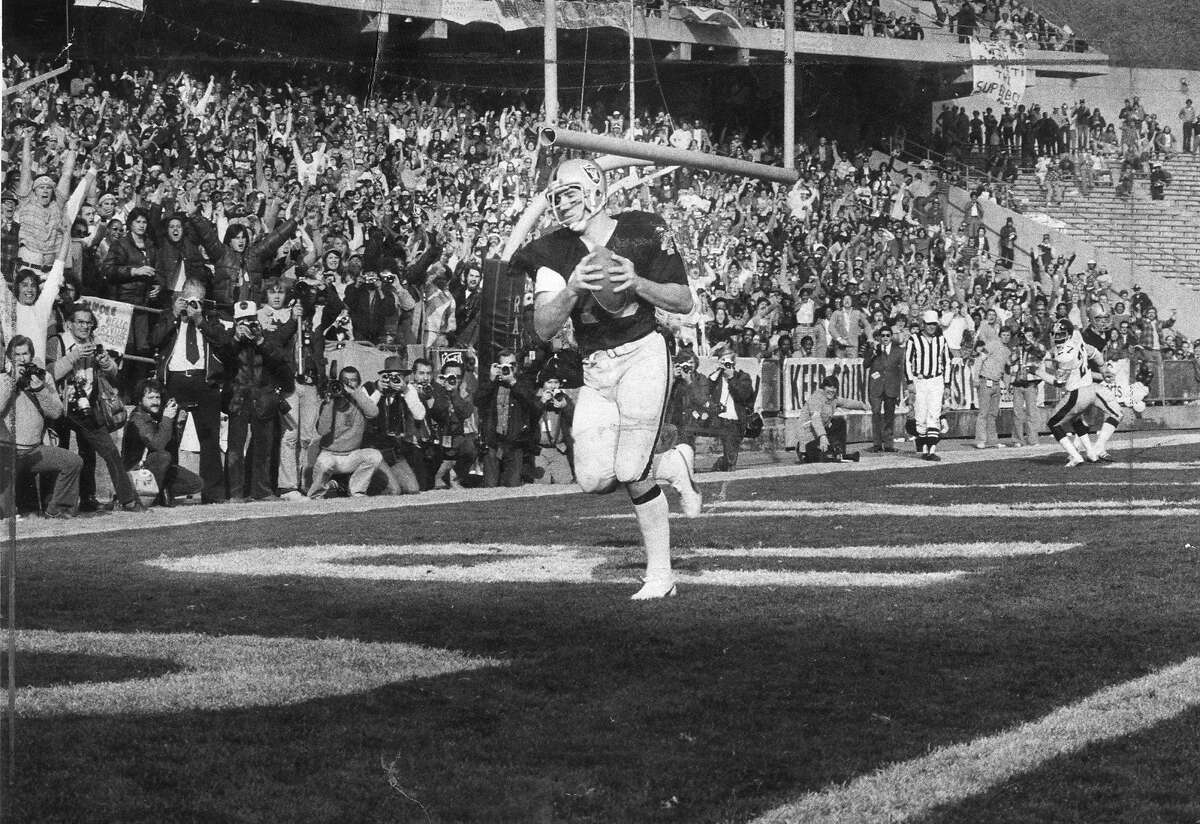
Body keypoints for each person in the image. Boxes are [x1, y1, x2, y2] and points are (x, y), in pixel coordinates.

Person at [522, 157, 695, 600]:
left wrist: (636, 282)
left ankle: (661, 575)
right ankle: (672, 464)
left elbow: (682, 300)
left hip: (643, 353)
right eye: (556, 198)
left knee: (631, 469)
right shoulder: (553, 250)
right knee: (594, 480)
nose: (562, 205)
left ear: (596, 191)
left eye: (571, 195)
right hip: (595, 366)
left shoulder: (642, 229)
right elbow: (542, 327)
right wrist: (573, 288)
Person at [46, 306, 144, 512]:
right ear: (69, 324)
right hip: (62, 406)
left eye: (88, 322)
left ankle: (102, 499)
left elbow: (113, 373)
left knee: (102, 451)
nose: (85, 326)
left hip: (88, 405)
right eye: (80, 322)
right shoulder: (57, 342)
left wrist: (106, 362)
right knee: (61, 455)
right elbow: (50, 374)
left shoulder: (96, 341)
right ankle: (56, 505)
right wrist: (74, 355)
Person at [152, 279, 228, 504]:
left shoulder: (210, 318)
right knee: (169, 438)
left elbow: (224, 343)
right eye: (189, 299)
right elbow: (153, 340)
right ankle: (166, 491)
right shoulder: (169, 315)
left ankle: (212, 494)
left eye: (198, 300)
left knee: (209, 439)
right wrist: (176, 315)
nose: (193, 304)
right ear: (180, 297)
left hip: (203, 380)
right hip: (174, 380)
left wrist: (200, 320)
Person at [209, 300, 294, 501]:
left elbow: (280, 362)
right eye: (243, 322)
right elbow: (223, 359)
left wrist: (260, 341)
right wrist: (237, 338)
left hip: (262, 398)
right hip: (237, 398)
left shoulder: (266, 337)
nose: (248, 326)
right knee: (235, 450)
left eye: (251, 321)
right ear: (236, 322)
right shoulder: (229, 340)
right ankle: (236, 493)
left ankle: (262, 491)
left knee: (264, 447)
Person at [1, 335, 82, 518]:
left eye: (26, 354)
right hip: (9, 453)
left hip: (34, 451)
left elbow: (56, 412)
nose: (22, 359)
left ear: (32, 355)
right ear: (9, 357)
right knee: (18, 513)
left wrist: (39, 390)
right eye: (17, 355)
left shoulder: (43, 377)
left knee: (73, 461)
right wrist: (12, 380)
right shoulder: (4, 378)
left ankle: (58, 510)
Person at [1037, 319, 1121, 466]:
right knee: (1075, 420)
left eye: (1060, 334)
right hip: (1090, 389)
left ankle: (1076, 456)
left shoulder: (1064, 354)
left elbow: (1059, 382)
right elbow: (1095, 353)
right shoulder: (1077, 340)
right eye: (1054, 334)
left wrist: (1039, 373)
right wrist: (1102, 369)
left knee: (1053, 423)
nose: (1057, 338)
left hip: (1077, 393)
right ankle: (1091, 453)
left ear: (1068, 334)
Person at [121, 378, 203, 507]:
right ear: (140, 400)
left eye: (157, 397)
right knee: (163, 456)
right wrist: (167, 419)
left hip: (154, 469)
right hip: (136, 471)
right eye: (150, 397)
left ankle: (159, 493)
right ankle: (145, 495)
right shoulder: (138, 419)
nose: (155, 402)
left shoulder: (154, 415)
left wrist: (177, 424)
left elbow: (169, 444)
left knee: (196, 483)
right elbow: (157, 445)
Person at [309, 366, 383, 498]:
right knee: (324, 463)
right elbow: (322, 430)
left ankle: (357, 491)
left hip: (352, 455)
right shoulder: (329, 402)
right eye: (345, 380)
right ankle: (317, 495)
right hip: (330, 454)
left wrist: (354, 393)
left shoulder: (359, 401)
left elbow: (373, 413)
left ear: (358, 383)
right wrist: (330, 402)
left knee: (374, 456)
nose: (348, 383)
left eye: (353, 380)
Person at [474, 349, 542, 488]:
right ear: (497, 367)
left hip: (515, 442)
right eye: (504, 366)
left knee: (513, 487)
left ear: (516, 366)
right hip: (493, 442)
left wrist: (513, 382)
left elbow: (534, 405)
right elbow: (478, 401)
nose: (508, 369)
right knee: (490, 488)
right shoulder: (491, 384)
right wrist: (491, 380)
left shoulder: (523, 383)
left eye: (512, 365)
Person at [364, 355, 426, 495]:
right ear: (383, 376)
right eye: (390, 376)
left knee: (412, 489)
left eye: (398, 376)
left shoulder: (408, 390)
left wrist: (405, 391)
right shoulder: (370, 388)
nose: (393, 380)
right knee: (394, 490)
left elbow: (420, 415)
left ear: (404, 377)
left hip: (394, 452)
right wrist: (378, 391)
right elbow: (367, 413)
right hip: (375, 451)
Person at [905, 309, 951, 461]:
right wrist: (910, 381)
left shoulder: (941, 340)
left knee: (934, 414)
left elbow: (947, 362)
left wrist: (947, 384)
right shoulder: (913, 339)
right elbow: (907, 361)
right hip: (920, 380)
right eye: (929, 324)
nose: (931, 327)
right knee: (920, 415)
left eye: (934, 324)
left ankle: (931, 449)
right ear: (923, 324)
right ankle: (924, 449)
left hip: (936, 380)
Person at [705, 346, 757, 472]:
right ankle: (727, 466)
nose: (726, 364)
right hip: (719, 418)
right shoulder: (716, 378)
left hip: (736, 418)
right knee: (730, 452)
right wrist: (718, 371)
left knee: (731, 446)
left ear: (734, 362)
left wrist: (732, 378)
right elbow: (705, 390)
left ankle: (723, 464)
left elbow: (743, 396)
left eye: (728, 361)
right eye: (723, 361)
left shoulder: (743, 377)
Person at [795, 375, 868, 463]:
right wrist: (822, 436)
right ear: (823, 387)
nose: (832, 390)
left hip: (819, 435)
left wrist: (862, 405)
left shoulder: (833, 399)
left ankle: (840, 453)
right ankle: (805, 452)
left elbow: (846, 402)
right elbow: (815, 418)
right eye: (829, 387)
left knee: (840, 421)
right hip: (808, 437)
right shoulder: (816, 398)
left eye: (834, 388)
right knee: (820, 459)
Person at [865, 327, 904, 452]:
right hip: (876, 386)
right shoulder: (874, 350)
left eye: (888, 335)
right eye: (883, 336)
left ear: (891, 336)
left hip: (891, 387)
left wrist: (900, 390)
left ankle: (888, 444)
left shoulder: (898, 351)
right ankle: (877, 444)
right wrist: (873, 354)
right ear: (879, 337)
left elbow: (902, 371)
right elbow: (865, 364)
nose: (885, 338)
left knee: (889, 416)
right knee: (875, 414)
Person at [973, 327, 1012, 449]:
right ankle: (980, 440)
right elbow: (980, 359)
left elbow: (1006, 370)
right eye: (1004, 335)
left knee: (993, 414)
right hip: (986, 380)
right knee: (983, 413)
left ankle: (992, 440)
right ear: (1000, 335)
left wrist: (1007, 385)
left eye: (1008, 335)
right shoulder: (991, 345)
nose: (1006, 337)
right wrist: (976, 378)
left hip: (996, 383)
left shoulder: (1007, 351)